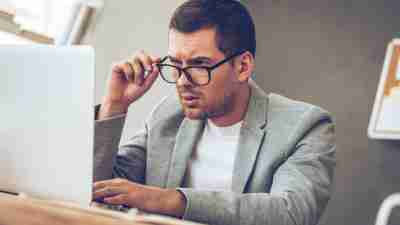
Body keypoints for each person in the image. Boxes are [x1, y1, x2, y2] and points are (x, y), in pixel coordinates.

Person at [92, 0, 336, 225]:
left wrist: (170, 201)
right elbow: (96, 189)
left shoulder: (305, 126)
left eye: (199, 65)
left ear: (243, 67)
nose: (181, 82)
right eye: (176, 65)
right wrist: (114, 105)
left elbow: (291, 214)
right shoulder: (167, 116)